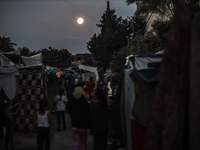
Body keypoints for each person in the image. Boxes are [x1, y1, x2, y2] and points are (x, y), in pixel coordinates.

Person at [91, 84, 109, 150]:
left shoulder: (95, 105)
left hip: (96, 127)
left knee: (97, 144)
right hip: (104, 128)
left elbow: (91, 116)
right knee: (103, 145)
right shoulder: (106, 107)